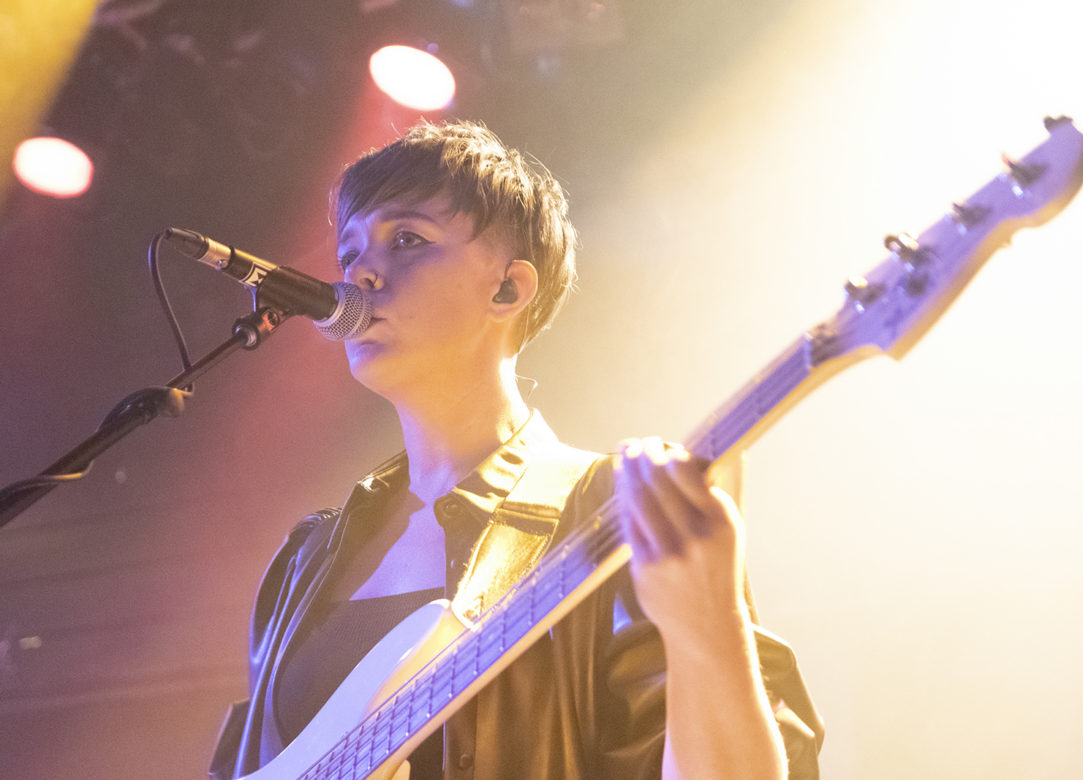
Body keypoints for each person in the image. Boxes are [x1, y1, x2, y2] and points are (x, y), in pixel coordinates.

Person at [209, 120, 823, 779]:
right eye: (349, 253)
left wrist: (708, 625)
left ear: (508, 288)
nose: (359, 274)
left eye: (407, 239)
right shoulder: (306, 559)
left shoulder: (609, 510)